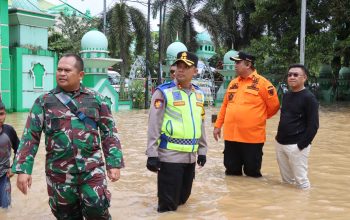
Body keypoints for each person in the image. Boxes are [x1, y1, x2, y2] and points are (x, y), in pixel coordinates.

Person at [12, 54, 124, 219]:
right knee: (66, 216)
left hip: (91, 170)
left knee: (98, 209)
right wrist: (23, 170)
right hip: (59, 174)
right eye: (59, 69)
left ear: (80, 75)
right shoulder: (43, 102)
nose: (62, 73)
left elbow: (109, 132)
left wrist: (113, 164)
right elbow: (31, 136)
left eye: (67, 70)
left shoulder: (96, 100)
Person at [146, 51, 208, 212]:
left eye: (186, 67)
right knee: (167, 208)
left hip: (190, 159)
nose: (180, 70)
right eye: (179, 66)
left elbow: (200, 123)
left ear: (195, 71)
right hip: (169, 158)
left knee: (182, 201)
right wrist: (152, 154)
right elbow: (154, 124)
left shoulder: (199, 94)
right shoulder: (163, 92)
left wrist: (202, 150)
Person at [213, 51, 280, 177]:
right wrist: (217, 126)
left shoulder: (263, 84)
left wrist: (258, 118)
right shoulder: (233, 83)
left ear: (248, 64)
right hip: (231, 137)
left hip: (252, 139)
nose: (235, 65)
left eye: (238, 62)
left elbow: (274, 107)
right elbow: (225, 106)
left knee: (252, 174)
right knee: (231, 173)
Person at [275, 64, 319, 189]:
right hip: (280, 143)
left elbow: (314, 126)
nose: (292, 77)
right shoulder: (287, 95)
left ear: (304, 78)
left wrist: (301, 146)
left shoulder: (309, 98)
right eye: (289, 75)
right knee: (286, 181)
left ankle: (304, 207)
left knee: (302, 183)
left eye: (295, 75)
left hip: (297, 145)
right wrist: (278, 139)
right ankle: (290, 206)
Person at [0, 102, 19, 209]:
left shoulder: (9, 131)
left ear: (5, 113)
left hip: (4, 176)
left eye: (1, 114)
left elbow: (20, 150)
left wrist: (14, 167)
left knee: (6, 208)